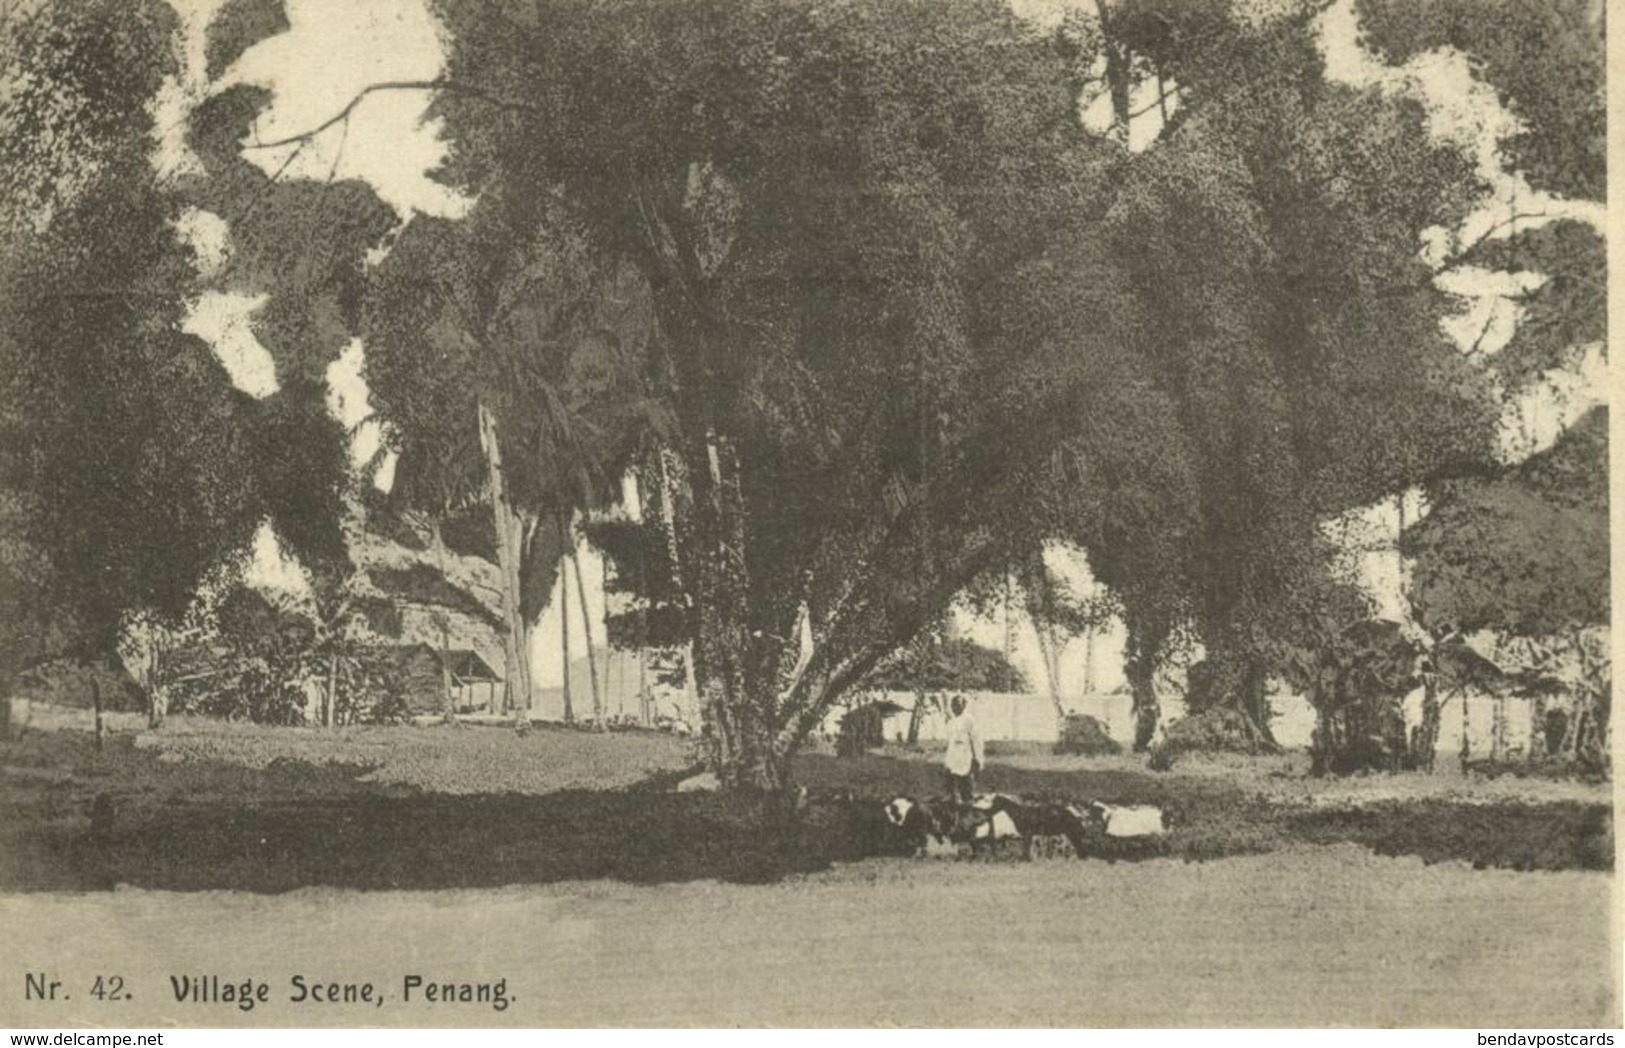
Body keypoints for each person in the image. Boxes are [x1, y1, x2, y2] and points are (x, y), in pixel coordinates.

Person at [943, 694, 983, 806]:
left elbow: (976, 739)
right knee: (950, 777)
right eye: (953, 705)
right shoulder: (952, 721)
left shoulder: (969, 719)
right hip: (953, 755)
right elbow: (951, 740)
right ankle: (952, 800)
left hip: (965, 755)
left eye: (957, 705)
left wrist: (977, 757)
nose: (954, 708)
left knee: (965, 779)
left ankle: (968, 802)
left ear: (963, 706)